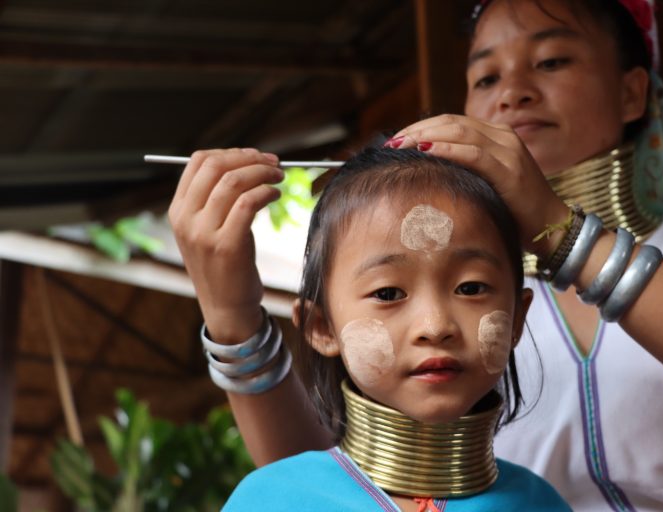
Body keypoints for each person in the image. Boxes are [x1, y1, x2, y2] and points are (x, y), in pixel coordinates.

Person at [168, 0, 663, 510]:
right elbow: (325, 491)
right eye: (485, 78)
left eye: (551, 60)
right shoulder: (459, 294)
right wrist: (233, 321)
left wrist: (561, 233)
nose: (513, 92)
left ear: (632, 91)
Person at [217, 146, 570, 511]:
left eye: (470, 288)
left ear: (516, 319)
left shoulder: (540, 504)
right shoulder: (268, 501)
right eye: (387, 293)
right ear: (323, 328)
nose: (435, 327)